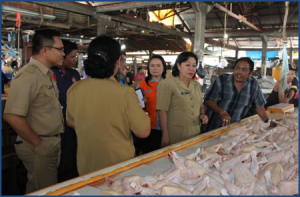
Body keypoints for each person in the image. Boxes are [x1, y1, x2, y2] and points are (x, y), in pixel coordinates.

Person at [66, 35, 150, 175]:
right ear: (117, 61)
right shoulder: (125, 93)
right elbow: (143, 132)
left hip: (86, 168)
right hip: (118, 169)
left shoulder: (75, 88)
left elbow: (70, 121)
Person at [3, 29, 65, 193]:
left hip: (49, 142)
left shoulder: (45, 74)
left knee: (38, 188)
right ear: (45, 50)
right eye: (60, 49)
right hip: (38, 145)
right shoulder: (28, 75)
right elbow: (11, 115)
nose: (63, 54)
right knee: (45, 190)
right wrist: (38, 143)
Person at [203, 57, 270, 132]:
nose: (239, 72)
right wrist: (222, 112)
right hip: (213, 127)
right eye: (237, 68)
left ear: (250, 73)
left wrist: (267, 121)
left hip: (234, 129)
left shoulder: (253, 84)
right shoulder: (221, 80)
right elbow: (208, 100)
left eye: (244, 70)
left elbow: (259, 106)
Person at [156, 52, 208, 147]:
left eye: (194, 65)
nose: (191, 69)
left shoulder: (196, 85)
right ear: (178, 65)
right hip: (176, 135)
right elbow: (162, 111)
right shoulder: (167, 84)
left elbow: (201, 105)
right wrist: (165, 134)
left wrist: (202, 115)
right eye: (187, 65)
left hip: (195, 133)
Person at [50, 40, 80, 182]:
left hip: (72, 128)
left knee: (71, 163)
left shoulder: (75, 75)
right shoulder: (49, 73)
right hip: (54, 129)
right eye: (72, 57)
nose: (75, 60)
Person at [136, 55, 167, 154]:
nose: (155, 68)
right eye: (152, 66)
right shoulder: (142, 84)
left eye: (158, 65)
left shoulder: (169, 84)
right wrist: (140, 102)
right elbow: (134, 105)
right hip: (149, 128)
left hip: (167, 127)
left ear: (163, 67)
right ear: (148, 68)